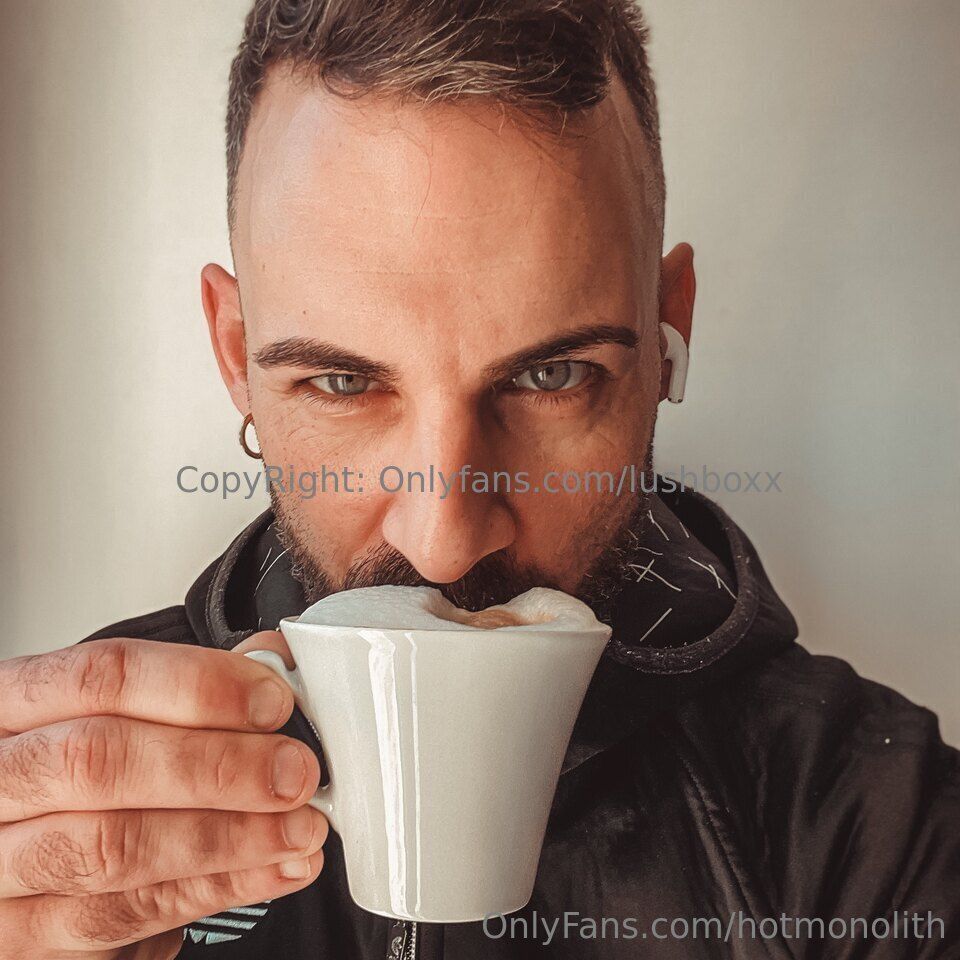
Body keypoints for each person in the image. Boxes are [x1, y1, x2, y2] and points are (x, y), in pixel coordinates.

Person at [0, 1, 956, 958]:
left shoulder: (882, 829)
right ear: (235, 355)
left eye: (551, 376)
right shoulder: (70, 814)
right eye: (342, 383)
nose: (444, 544)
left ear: (669, 334)